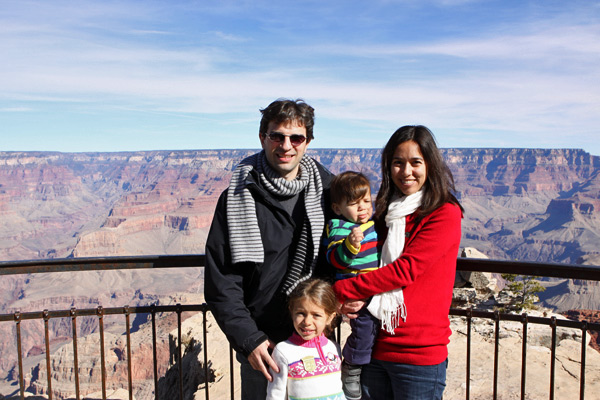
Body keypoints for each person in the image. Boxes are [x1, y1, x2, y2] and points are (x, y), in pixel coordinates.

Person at [204, 98, 334, 400]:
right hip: (264, 347)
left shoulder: (329, 192)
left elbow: (345, 256)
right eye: (277, 136)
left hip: (315, 339)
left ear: (308, 142)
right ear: (263, 137)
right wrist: (249, 340)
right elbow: (222, 279)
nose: (286, 145)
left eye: (296, 138)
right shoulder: (237, 195)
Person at [333, 125, 463, 400]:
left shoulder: (444, 212)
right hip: (374, 349)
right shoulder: (385, 211)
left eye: (416, 162)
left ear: (430, 164)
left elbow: (405, 270)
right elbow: (364, 262)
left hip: (419, 356)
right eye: (398, 163)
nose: (406, 172)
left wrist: (342, 292)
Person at [325, 171, 380, 400]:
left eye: (366, 201)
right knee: (364, 330)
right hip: (356, 291)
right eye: (354, 204)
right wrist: (350, 244)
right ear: (338, 208)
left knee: (375, 331)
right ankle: (352, 366)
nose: (363, 208)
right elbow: (335, 259)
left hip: (376, 291)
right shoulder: (339, 227)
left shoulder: (373, 224)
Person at [266, 279, 345, 400]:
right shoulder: (283, 351)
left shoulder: (333, 348)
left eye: (316, 315)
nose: (307, 322)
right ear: (291, 312)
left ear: (329, 318)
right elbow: (275, 394)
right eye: (301, 313)